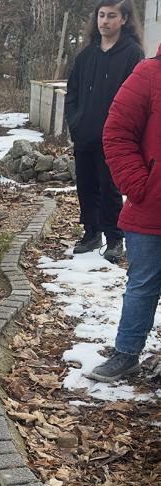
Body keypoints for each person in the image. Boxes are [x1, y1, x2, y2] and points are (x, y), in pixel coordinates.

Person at [88, 42, 160, 382]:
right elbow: (117, 132)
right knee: (143, 284)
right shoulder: (149, 74)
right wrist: (138, 184)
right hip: (151, 206)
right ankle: (126, 354)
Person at [64, 0, 144, 263]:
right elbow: (72, 92)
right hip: (84, 135)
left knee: (110, 189)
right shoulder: (87, 55)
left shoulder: (132, 54)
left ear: (124, 19)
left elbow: (136, 98)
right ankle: (91, 234)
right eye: (101, 15)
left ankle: (114, 238)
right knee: (86, 187)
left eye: (111, 16)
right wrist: (75, 122)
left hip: (114, 139)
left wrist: (124, 132)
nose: (104, 21)